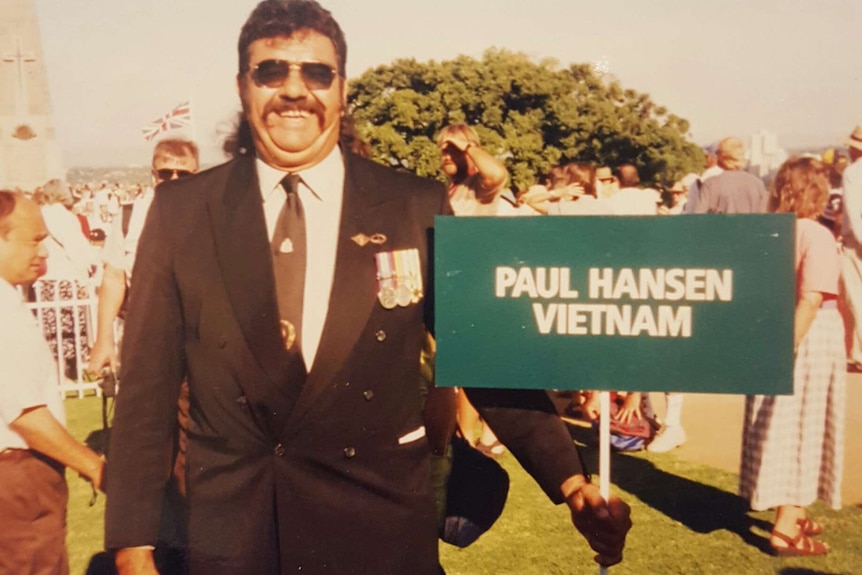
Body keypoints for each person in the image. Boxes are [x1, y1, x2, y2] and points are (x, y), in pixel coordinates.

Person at [104, 2, 630, 574]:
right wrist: (132, 545)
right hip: (236, 541)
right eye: (271, 72)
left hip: (378, 535)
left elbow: (478, 355)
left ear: (342, 89)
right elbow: (145, 393)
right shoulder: (183, 212)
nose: (294, 90)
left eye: (317, 74)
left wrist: (570, 478)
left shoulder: (415, 206)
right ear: (242, 86)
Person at [739, 157, 845, 556]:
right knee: (804, 428)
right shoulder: (815, 234)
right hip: (807, 337)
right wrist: (788, 349)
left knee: (780, 427)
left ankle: (791, 509)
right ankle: (785, 528)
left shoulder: (770, 233)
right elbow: (812, 298)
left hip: (772, 331)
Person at [0, 190, 105, 575]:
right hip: (17, 480)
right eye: (35, 240)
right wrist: (92, 465)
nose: (45, 252)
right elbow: (25, 414)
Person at [88, 138, 200, 374]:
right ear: (153, 174)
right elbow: (113, 279)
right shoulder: (131, 216)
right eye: (166, 173)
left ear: (196, 174)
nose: (174, 180)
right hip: (145, 340)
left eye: (184, 174)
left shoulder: (210, 216)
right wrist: (103, 338)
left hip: (199, 343)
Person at [692, 137, 767, 214]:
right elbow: (761, 219)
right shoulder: (758, 184)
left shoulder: (710, 184)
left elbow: (699, 219)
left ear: (722, 156)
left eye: (717, 152)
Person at [839, 125, 862, 370]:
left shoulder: (854, 173)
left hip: (857, 242)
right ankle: (857, 352)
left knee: (857, 298)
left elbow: (855, 212)